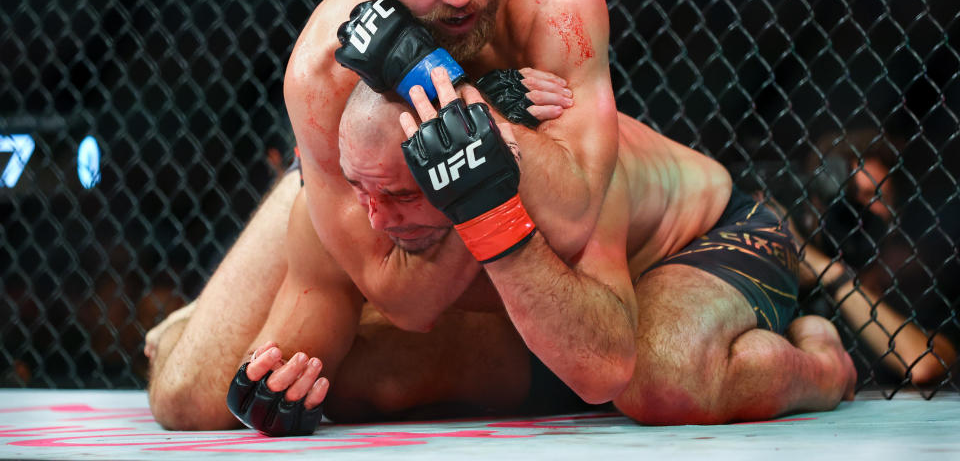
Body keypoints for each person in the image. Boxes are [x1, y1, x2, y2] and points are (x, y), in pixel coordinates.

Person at [147, 0, 618, 430]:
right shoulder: (322, 72)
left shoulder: (557, 3)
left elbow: (574, 215)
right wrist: (482, 107)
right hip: (365, 188)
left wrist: (470, 102)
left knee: (394, 366)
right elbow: (404, 299)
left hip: (487, 209)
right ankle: (203, 318)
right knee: (190, 398)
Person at [222, 69, 854, 435]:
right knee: (358, 377)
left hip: (708, 241)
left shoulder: (557, 173)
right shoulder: (353, 201)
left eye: (403, 195)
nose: (376, 217)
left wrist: (489, 212)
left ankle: (822, 361)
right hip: (568, 307)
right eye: (362, 189)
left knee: (659, 383)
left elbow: (604, 363)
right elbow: (299, 346)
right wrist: (280, 393)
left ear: (458, 166)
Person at [784, 130, 957, 384]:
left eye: (872, 196)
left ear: (894, 215)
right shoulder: (790, 285)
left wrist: (830, 272)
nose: (854, 210)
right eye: (844, 196)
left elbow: (924, 364)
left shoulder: (920, 291)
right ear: (815, 204)